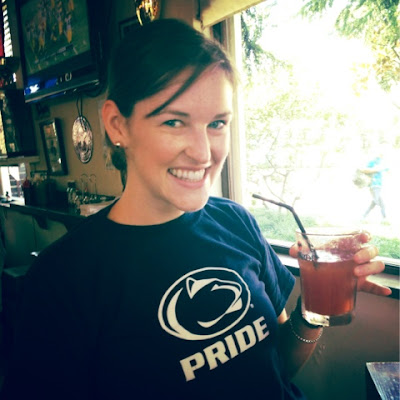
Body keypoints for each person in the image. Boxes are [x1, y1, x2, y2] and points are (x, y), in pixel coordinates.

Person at [1, 19, 391, 400]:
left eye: (217, 124)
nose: (204, 154)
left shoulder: (236, 221)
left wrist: (314, 310)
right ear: (117, 125)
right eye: (174, 122)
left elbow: (277, 367)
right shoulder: (62, 278)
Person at [361, 153, 388, 222]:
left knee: (376, 201)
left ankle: (363, 216)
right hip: (373, 184)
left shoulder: (382, 162)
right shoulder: (372, 162)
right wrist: (376, 170)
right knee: (377, 201)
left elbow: (388, 170)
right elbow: (364, 170)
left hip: (379, 185)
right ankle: (384, 219)